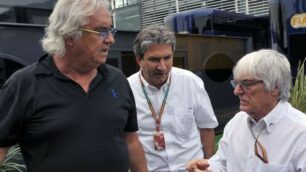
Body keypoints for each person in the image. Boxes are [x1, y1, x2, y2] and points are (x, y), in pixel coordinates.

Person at [0, 0, 147, 171]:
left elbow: (130, 140)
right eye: (101, 31)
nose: (111, 39)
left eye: (110, 30)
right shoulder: (24, 84)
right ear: (70, 35)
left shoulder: (117, 80)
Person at [186, 49, 306, 172]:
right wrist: (207, 168)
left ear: (275, 87)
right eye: (236, 83)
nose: (236, 91)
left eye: (246, 84)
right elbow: (222, 163)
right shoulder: (236, 122)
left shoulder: (301, 132)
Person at [128, 25, 218, 172]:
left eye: (167, 58)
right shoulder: (127, 89)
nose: (162, 67)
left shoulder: (190, 82)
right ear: (139, 60)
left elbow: (207, 127)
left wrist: (208, 165)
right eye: (154, 59)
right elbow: (128, 141)